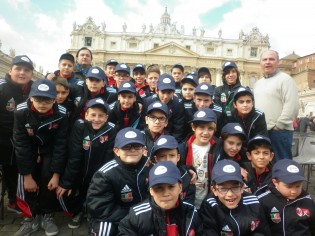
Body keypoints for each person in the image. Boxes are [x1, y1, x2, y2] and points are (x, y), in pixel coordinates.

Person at [13, 79, 68, 236]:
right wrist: (27, 176)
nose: (42, 103)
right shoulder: (21, 111)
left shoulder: (61, 113)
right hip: (29, 150)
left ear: (54, 99)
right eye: (38, 99)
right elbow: (21, 144)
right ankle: (30, 216)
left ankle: (47, 214)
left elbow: (61, 145)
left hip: (50, 151)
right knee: (25, 182)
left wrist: (56, 174)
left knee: (48, 179)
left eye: (47, 99)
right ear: (31, 98)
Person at [57, 98, 117, 229]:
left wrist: (101, 179)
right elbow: (75, 156)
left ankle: (92, 213)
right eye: (93, 115)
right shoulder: (80, 126)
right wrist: (67, 181)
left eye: (101, 115)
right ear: (86, 115)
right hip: (80, 170)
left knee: (97, 193)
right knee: (71, 193)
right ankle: (78, 210)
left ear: (106, 117)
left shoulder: (111, 130)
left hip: (99, 172)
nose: (96, 119)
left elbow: (109, 157)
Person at [86, 127, 151, 236]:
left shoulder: (151, 167)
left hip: (146, 216)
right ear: (116, 151)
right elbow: (99, 208)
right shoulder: (105, 174)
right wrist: (134, 216)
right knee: (104, 229)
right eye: (126, 147)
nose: (132, 150)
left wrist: (188, 171)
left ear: (143, 149)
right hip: (116, 218)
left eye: (137, 146)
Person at [118, 161, 202, 236]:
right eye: (159, 188)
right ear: (151, 191)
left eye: (171, 187)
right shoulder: (136, 217)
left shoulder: (191, 213)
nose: (166, 194)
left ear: (180, 187)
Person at [200, 159, 271, 235]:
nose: (230, 194)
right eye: (223, 188)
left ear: (242, 188)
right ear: (214, 190)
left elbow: (262, 231)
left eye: (235, 187)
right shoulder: (210, 205)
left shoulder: (253, 202)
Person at [0, 55, 34, 214]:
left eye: (26, 70)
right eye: (18, 69)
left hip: (28, 135)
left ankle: (27, 195)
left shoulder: (33, 87)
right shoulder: (2, 87)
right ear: (10, 70)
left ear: (31, 74)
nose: (22, 73)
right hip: (5, 137)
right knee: (11, 165)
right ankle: (13, 200)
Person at [254, 50, 299, 161]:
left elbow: (292, 105)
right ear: (260, 63)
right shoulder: (257, 84)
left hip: (279, 131)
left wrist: (279, 125)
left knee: (281, 165)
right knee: (264, 166)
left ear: (277, 62)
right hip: (262, 131)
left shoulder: (286, 80)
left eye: (271, 59)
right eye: (265, 59)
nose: (268, 62)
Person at [257, 159, 315, 235]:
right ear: (275, 182)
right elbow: (261, 230)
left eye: (298, 186)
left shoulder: (307, 201)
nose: (294, 191)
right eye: (289, 187)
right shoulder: (264, 200)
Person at [179, 108, 218, 208]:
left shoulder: (218, 148)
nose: (206, 132)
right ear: (193, 127)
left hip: (208, 199)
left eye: (210, 128)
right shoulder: (183, 148)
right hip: (188, 198)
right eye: (201, 127)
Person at [152, 135, 196, 204]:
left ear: (178, 157)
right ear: (156, 159)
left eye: (172, 155)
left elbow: (189, 205)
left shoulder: (187, 178)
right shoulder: (151, 177)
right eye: (162, 156)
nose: (168, 160)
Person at [144, 73, 186, 142]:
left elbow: (178, 129)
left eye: (169, 93)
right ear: (157, 90)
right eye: (163, 92)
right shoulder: (148, 102)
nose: (166, 96)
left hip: (169, 137)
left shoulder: (178, 104)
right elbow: (143, 124)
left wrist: (171, 143)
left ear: (174, 92)